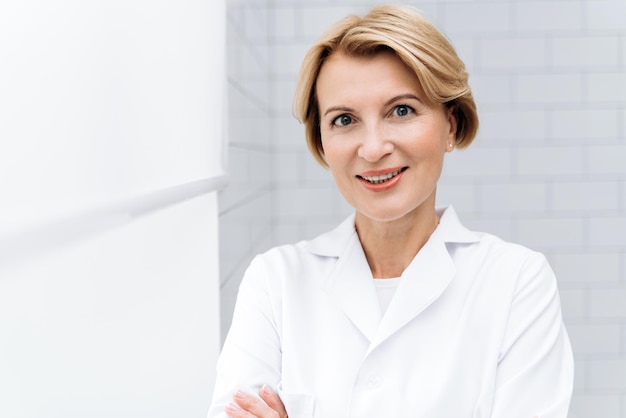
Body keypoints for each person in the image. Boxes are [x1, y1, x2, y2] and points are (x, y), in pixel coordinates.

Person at [208, 4, 574, 418]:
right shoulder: (275, 282)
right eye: (344, 119)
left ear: (450, 125)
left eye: (402, 111)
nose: (373, 147)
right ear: (323, 143)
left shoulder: (517, 283)